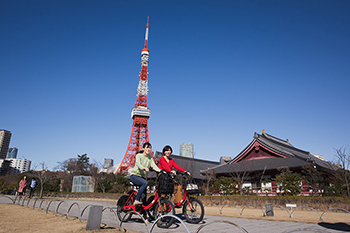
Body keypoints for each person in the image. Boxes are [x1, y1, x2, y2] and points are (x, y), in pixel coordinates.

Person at [130, 142, 161, 206]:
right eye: (147, 147)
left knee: (144, 196)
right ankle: (136, 200)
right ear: (143, 148)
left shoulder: (150, 158)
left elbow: (154, 166)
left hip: (141, 177)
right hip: (134, 176)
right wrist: (144, 168)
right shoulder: (139, 155)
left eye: (150, 148)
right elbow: (138, 164)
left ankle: (144, 213)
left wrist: (161, 171)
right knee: (145, 183)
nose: (148, 149)